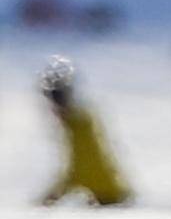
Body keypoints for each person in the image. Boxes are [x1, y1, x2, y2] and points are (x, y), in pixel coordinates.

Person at [36, 60, 134, 206]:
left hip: (108, 196)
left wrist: (57, 192)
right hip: (109, 193)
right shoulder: (82, 119)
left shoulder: (78, 124)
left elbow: (82, 167)